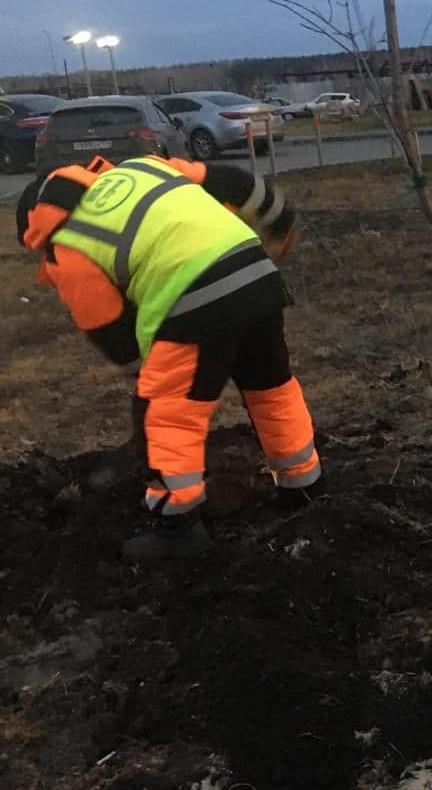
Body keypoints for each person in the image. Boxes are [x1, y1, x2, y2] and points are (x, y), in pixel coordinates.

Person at [16, 153, 322, 562]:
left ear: (36, 225)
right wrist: (279, 215)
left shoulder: (65, 244)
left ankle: (179, 529)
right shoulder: (143, 169)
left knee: (167, 413)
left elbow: (106, 323)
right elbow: (229, 179)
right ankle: (304, 485)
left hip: (193, 297)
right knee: (271, 387)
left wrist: (142, 376)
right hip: (257, 274)